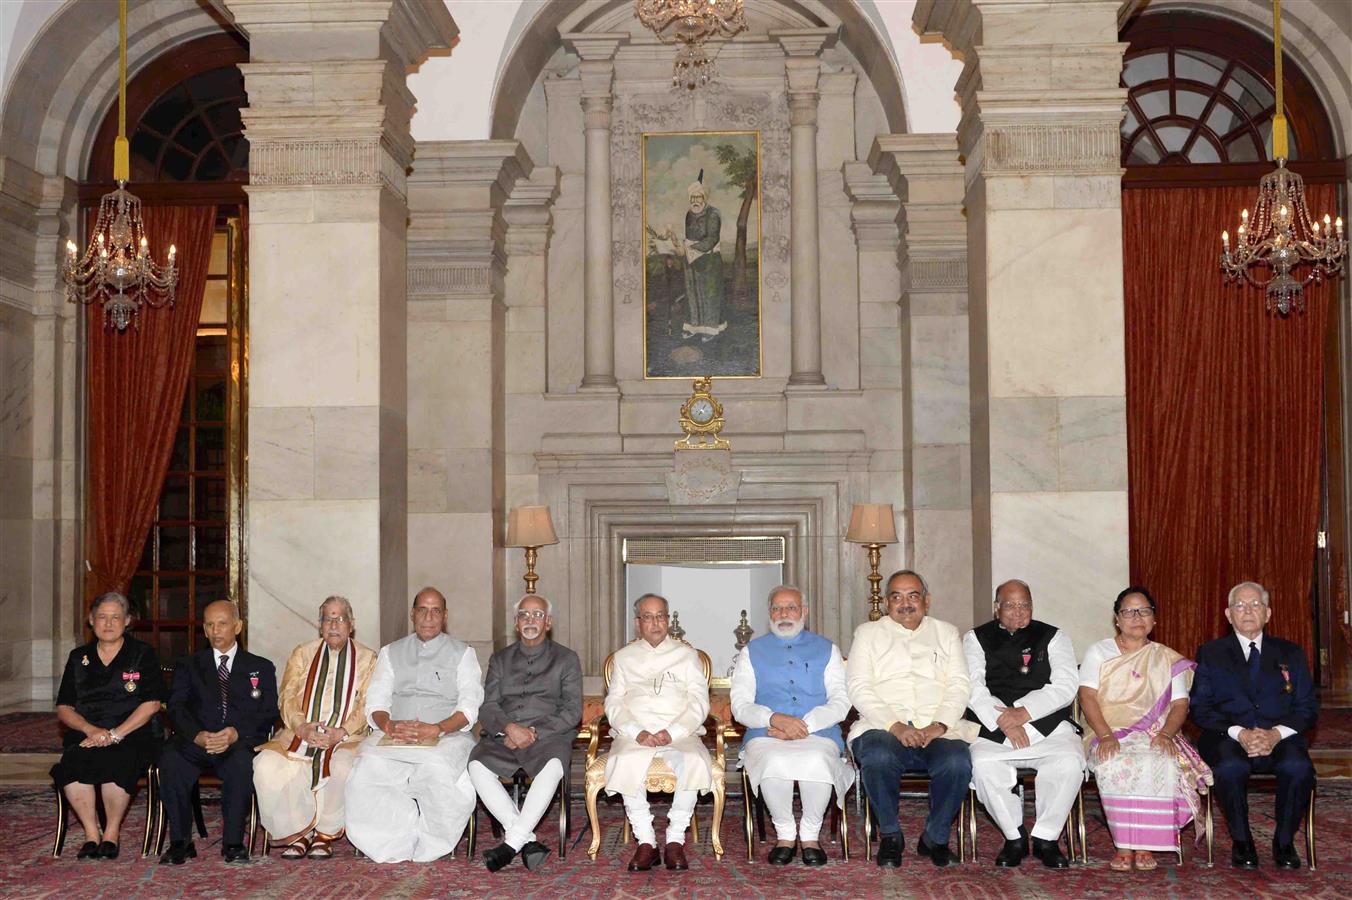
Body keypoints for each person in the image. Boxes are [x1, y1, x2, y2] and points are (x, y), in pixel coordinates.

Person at [1077, 587, 1212, 872]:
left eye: (1144, 611)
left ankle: (1145, 844)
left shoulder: (1166, 659)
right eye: (1129, 611)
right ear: (1117, 618)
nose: (1136, 617)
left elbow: (1179, 705)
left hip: (1154, 731)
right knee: (1114, 760)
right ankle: (1124, 845)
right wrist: (1105, 735)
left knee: (1159, 759)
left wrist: (1165, 734)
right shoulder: (1099, 652)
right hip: (1106, 730)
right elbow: (1087, 697)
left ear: (1154, 619)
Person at [344, 587, 483, 863]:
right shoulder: (390, 652)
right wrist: (389, 725)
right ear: (412, 614)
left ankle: (432, 842)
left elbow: (469, 708)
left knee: (436, 770)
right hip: (395, 735)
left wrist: (437, 729)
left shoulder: (463, 653)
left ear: (444, 616)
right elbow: (377, 702)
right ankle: (391, 842)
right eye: (422, 610)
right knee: (366, 768)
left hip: (446, 736)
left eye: (435, 611)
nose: (428, 617)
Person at [847, 570, 972, 868]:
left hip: (938, 727)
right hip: (883, 726)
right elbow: (858, 686)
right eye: (896, 596)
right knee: (877, 755)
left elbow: (960, 684)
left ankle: (936, 838)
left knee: (957, 762)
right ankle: (891, 835)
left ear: (926, 601)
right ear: (887, 603)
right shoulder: (867, 633)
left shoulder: (947, 632)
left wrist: (939, 724)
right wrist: (895, 725)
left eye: (913, 595)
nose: (905, 603)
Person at [1190, 581, 1318, 870]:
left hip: (1281, 737)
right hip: (1228, 736)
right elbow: (1200, 708)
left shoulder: (1291, 653)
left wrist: (1275, 734)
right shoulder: (1211, 653)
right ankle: (1242, 841)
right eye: (1240, 605)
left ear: (1268, 613)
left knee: (1298, 768)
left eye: (1255, 605)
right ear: (1228, 614)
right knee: (1229, 768)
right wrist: (1240, 733)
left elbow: (1307, 708)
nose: (1248, 611)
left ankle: (1284, 842)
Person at [962, 579, 1082, 869]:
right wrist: (1004, 720)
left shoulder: (1053, 636)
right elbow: (972, 687)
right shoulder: (975, 638)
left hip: (1045, 723)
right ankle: (1014, 836)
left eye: (1024, 605)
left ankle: (1046, 838)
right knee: (984, 765)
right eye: (1010, 605)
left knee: (1070, 761)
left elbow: (1066, 685)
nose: (1018, 611)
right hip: (995, 724)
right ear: (996, 608)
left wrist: (1024, 712)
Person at [730, 585, 852, 866]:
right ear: (769, 613)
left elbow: (841, 701)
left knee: (817, 758)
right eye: (777, 608)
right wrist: (774, 719)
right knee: (773, 759)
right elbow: (740, 704)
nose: (784, 614)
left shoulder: (827, 649)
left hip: (818, 731)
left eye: (791, 607)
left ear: (804, 612)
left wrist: (804, 725)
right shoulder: (752, 651)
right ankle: (785, 833)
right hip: (767, 733)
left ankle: (810, 834)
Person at [252, 596, 378, 860]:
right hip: (301, 732)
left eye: (340, 618)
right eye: (327, 619)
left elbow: (369, 703)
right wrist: (302, 728)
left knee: (342, 763)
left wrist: (340, 732)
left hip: (346, 736)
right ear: (319, 625)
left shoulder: (368, 659)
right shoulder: (303, 653)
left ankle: (323, 833)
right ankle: (298, 833)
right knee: (266, 763)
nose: (334, 624)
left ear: (351, 624)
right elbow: (286, 696)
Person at [158, 599, 278, 865]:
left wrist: (235, 733)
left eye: (222, 624)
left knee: (241, 764)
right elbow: (176, 708)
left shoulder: (261, 667)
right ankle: (180, 842)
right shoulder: (189, 665)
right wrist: (197, 735)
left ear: (237, 626)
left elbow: (268, 712)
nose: (216, 631)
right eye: (210, 625)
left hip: (237, 741)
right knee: (171, 759)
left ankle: (233, 843)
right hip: (196, 740)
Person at [468, 594, 582, 873]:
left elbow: (572, 711)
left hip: (548, 737)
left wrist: (533, 731)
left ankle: (510, 845)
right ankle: (526, 840)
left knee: (554, 765)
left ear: (548, 623)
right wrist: (508, 727)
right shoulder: (500, 659)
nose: (530, 620)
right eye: (524, 615)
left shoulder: (566, 659)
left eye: (537, 615)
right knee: (476, 765)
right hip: (504, 735)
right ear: (516, 623)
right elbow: (489, 706)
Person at [52, 592, 165, 860]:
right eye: (102, 617)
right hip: (87, 733)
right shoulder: (79, 657)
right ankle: (92, 834)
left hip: (133, 734)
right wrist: (92, 731)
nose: (108, 623)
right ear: (91, 621)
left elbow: (151, 703)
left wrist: (115, 735)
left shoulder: (142, 654)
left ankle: (111, 833)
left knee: (119, 758)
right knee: (74, 761)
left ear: (127, 621)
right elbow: (65, 707)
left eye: (116, 617)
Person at [603, 593, 711, 872]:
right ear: (638, 622)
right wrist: (635, 731)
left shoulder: (687, 656)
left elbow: (700, 702)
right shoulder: (623, 658)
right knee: (625, 762)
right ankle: (646, 843)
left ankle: (675, 840)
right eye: (648, 617)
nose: (655, 623)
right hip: (634, 733)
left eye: (660, 616)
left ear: (668, 619)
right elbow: (613, 703)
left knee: (694, 761)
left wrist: (672, 732)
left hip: (680, 732)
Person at [674, 171, 726, 342]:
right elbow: (689, 237)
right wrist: (679, 245)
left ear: (704, 197)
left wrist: (690, 250)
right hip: (690, 261)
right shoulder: (689, 214)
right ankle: (694, 327)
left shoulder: (714, 214)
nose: (695, 201)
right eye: (692, 197)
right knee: (692, 293)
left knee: (709, 294)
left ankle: (710, 330)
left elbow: (712, 239)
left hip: (709, 260)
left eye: (698, 197)